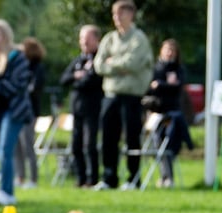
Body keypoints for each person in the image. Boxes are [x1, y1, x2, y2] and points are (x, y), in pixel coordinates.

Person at [93, 0, 154, 191]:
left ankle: (133, 179)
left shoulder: (139, 39)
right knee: (108, 138)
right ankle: (109, 178)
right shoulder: (109, 39)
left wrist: (112, 63)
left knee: (131, 138)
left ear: (131, 15)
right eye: (114, 14)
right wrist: (119, 66)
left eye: (121, 13)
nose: (117, 18)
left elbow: (133, 63)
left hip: (131, 96)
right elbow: (98, 65)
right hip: (111, 94)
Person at [0, 19, 33, 207]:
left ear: (5, 36)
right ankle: (5, 188)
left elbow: (18, 85)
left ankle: (6, 191)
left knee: (5, 150)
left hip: (14, 110)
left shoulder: (17, 57)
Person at [59, 24, 104, 188]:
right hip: (76, 108)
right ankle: (81, 178)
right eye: (82, 38)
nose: (84, 42)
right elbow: (64, 79)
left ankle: (93, 179)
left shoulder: (99, 59)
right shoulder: (78, 60)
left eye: (88, 38)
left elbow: (91, 81)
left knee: (89, 144)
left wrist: (78, 79)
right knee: (76, 145)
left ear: (96, 40)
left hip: (92, 108)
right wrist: (77, 75)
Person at [144, 39, 188, 187]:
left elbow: (177, 88)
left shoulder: (178, 69)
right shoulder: (155, 68)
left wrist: (160, 85)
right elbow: (149, 88)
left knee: (168, 143)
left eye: (172, 50)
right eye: (167, 49)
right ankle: (165, 176)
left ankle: (168, 177)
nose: (169, 53)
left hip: (172, 113)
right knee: (156, 143)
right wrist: (167, 85)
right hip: (155, 113)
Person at [13, 37, 46, 190]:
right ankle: (20, 176)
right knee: (17, 144)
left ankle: (33, 178)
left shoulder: (38, 68)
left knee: (28, 144)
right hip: (18, 109)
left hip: (30, 111)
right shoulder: (22, 67)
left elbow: (35, 88)